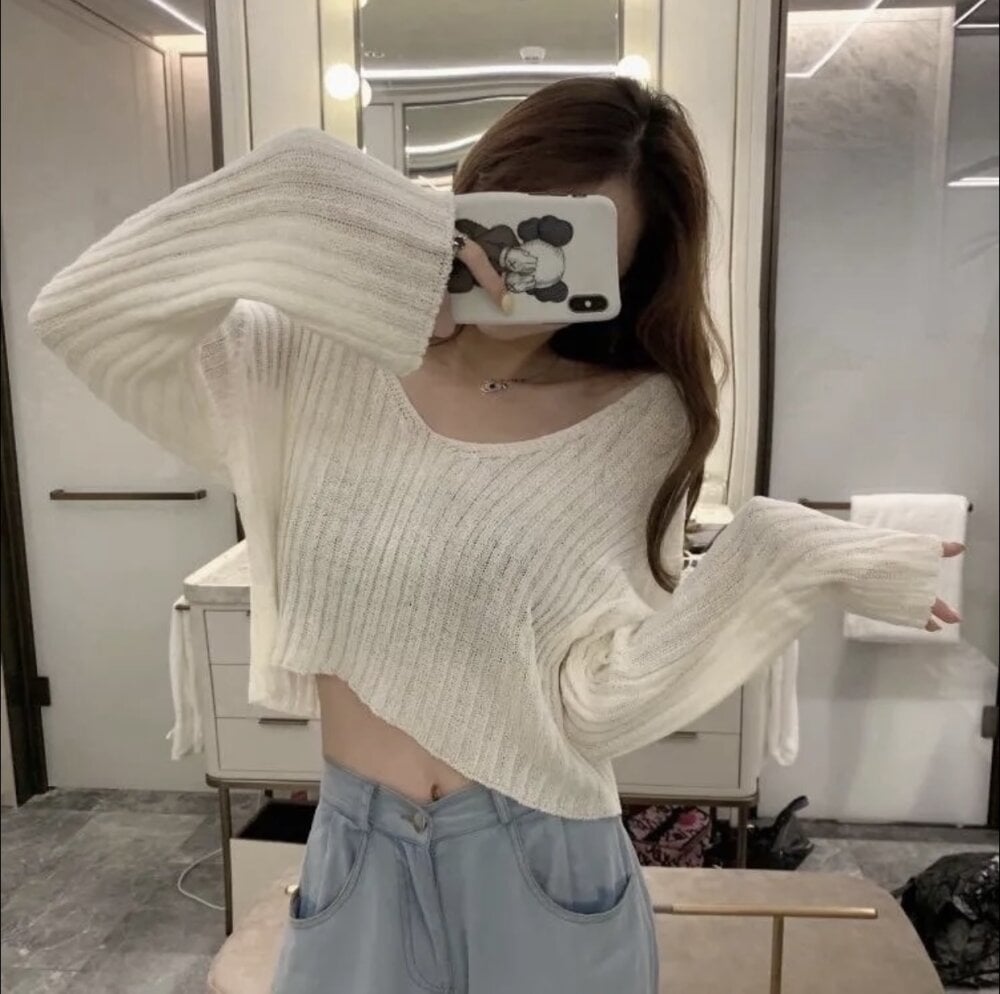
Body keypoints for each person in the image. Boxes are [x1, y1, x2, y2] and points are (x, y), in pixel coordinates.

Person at [28, 77, 962, 994]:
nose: (527, 273)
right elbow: (82, 312)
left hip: (545, 857)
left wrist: (775, 555)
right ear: (460, 204)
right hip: (357, 846)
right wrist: (303, 184)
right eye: (511, 227)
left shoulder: (641, 419)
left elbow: (598, 708)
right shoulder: (309, 359)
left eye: (579, 252)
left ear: (627, 275)